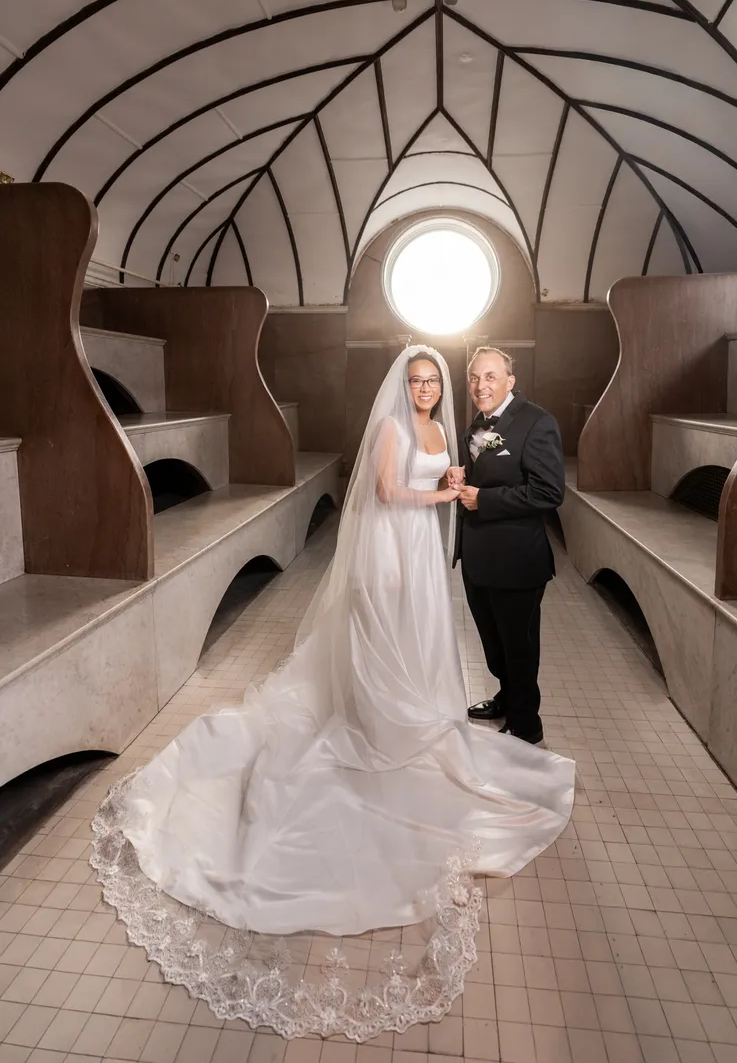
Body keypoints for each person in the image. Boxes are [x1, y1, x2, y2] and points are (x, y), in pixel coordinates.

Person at [91, 345, 574, 1042]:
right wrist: (448, 494)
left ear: (499, 381)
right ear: (405, 385)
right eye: (424, 380)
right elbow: (386, 491)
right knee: (387, 647)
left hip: (448, 555)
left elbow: (526, 485)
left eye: (448, 379)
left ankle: (482, 717)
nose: (438, 387)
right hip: (393, 550)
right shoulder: (394, 429)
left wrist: (464, 491)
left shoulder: (471, 426)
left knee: (466, 648)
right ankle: (384, 725)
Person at [449, 347, 564, 746]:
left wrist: (486, 499)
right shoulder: (477, 426)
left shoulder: (537, 422)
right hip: (478, 559)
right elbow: (485, 471)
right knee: (494, 644)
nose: (482, 386)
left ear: (510, 381)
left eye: (491, 377)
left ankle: (526, 725)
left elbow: (549, 492)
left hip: (517, 561)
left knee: (518, 647)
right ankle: (505, 696)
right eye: (476, 378)